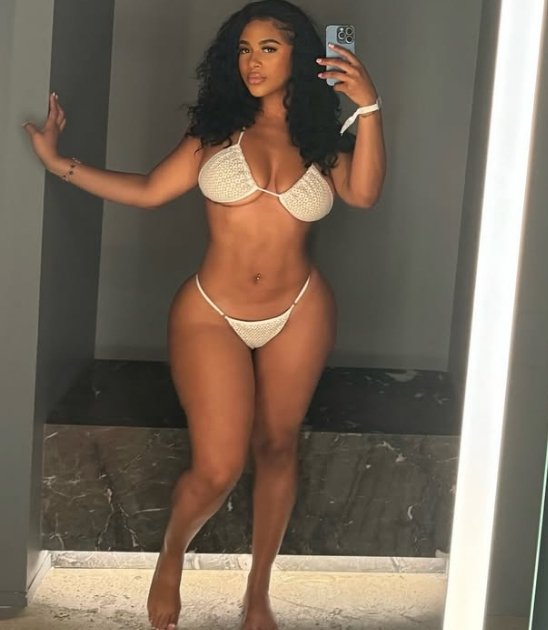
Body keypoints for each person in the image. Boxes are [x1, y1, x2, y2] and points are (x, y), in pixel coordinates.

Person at [23, 1, 385, 628]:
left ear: (300, 54)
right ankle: (171, 557)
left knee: (278, 446)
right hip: (212, 312)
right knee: (218, 466)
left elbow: (364, 192)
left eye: (269, 47)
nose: (253, 62)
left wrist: (370, 108)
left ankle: (258, 593)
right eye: (243, 49)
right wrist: (61, 165)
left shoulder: (323, 143)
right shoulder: (218, 133)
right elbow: (148, 191)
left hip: (300, 308)